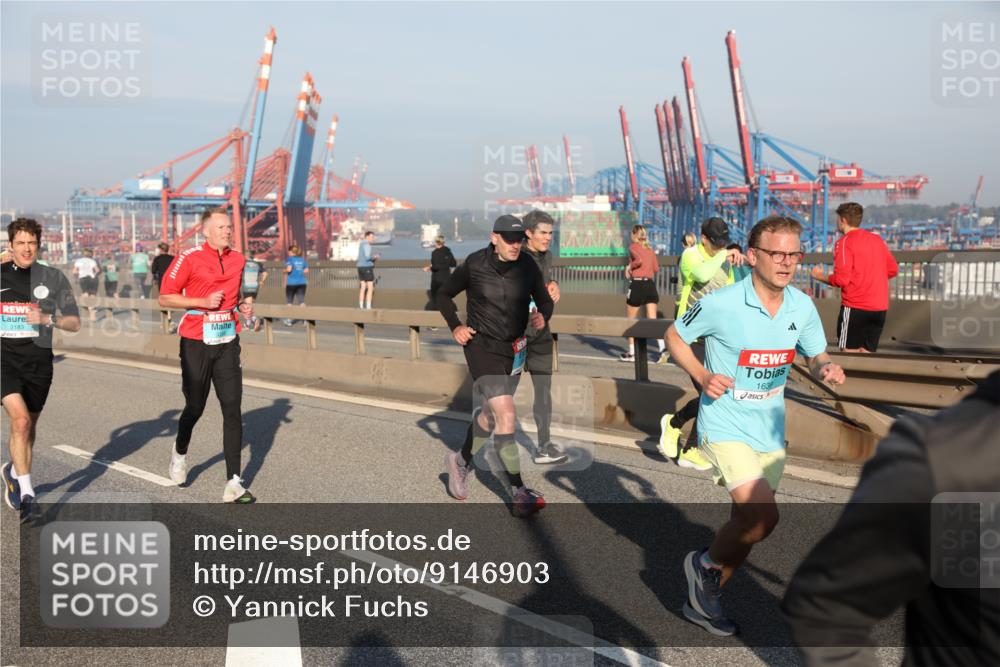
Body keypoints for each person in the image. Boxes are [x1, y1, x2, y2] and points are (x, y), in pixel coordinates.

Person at [666, 215, 846, 636]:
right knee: (764, 517)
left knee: (744, 525)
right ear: (752, 256)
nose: (786, 262)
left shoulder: (801, 306)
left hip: (769, 427)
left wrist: (827, 365)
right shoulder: (722, 303)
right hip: (725, 422)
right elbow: (675, 335)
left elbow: (815, 355)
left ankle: (705, 601)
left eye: (794, 254)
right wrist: (702, 375)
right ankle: (704, 565)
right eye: (776, 253)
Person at [782, 370, 1000, 666]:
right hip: (737, 422)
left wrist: (825, 363)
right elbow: (827, 608)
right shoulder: (947, 460)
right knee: (757, 519)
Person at [438, 215, 555, 518]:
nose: (515, 245)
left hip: (514, 349)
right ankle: (518, 491)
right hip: (481, 346)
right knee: (506, 413)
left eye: (519, 239)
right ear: (494, 238)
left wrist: (544, 315)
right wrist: (455, 326)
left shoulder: (527, 266)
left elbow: (545, 300)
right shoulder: (475, 264)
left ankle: (461, 460)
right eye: (509, 239)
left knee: (491, 416)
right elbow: (443, 294)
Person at [158, 208, 261, 503]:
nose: (227, 231)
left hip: (227, 341)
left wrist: (244, 307)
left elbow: (239, 297)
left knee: (232, 407)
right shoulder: (189, 258)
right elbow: (165, 296)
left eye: (229, 227)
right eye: (220, 227)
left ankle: (234, 483)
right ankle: (179, 453)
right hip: (195, 341)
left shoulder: (238, 259)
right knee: (195, 406)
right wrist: (201, 301)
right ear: (205, 231)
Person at [1, 218, 81, 522]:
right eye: (19, 243)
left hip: (39, 363)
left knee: (29, 426)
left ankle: (12, 470)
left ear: (39, 245)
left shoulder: (53, 277)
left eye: (31, 243)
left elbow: (74, 323)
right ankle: (28, 496)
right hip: (4, 359)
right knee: (20, 421)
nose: (26, 248)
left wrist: (48, 320)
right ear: (11, 245)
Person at [658, 218, 743, 471]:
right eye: (716, 243)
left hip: (714, 337)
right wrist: (726, 254)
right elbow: (703, 274)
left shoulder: (723, 260)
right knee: (710, 392)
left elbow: (729, 294)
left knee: (717, 393)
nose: (719, 248)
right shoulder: (690, 255)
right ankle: (681, 434)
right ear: (703, 238)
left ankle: (683, 439)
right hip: (688, 336)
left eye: (723, 244)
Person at [810, 202, 899, 352]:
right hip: (879, 308)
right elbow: (893, 270)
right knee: (867, 357)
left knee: (848, 355)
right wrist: (870, 279)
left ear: (843, 220)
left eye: (837, 219)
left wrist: (818, 276)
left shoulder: (843, 243)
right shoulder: (876, 240)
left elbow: (841, 280)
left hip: (855, 308)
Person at [521, 210, 567, 465]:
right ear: (528, 233)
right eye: (543, 233)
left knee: (543, 392)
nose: (548, 237)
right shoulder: (515, 256)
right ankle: (469, 451)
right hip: (515, 336)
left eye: (551, 233)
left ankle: (543, 446)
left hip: (540, 334)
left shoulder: (547, 256)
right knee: (499, 395)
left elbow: (544, 280)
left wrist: (554, 283)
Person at [620, 225, 667, 364]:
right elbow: (656, 268)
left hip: (637, 285)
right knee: (652, 321)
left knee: (631, 321)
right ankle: (662, 348)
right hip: (650, 285)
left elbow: (638, 261)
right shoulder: (650, 250)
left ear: (635, 235)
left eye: (631, 233)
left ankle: (632, 353)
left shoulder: (633, 247)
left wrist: (629, 267)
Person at [423, 235, 456, 309]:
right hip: (447, 278)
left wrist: (428, 268)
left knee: (435, 298)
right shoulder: (448, 251)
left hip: (437, 279)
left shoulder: (435, 252)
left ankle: (436, 314)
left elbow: (436, 267)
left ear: (436, 242)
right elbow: (453, 264)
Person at [150, 242, 175, 333]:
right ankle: (170, 317)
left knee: (163, 300)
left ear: (160, 249)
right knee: (171, 299)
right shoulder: (173, 258)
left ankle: (164, 321)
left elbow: (153, 270)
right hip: (172, 281)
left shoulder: (157, 259)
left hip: (162, 282)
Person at [283, 245, 308, 326]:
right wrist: (299, 272)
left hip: (291, 283)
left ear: (292, 252)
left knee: (289, 303)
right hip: (302, 283)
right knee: (302, 302)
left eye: (289, 251)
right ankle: (305, 319)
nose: (288, 253)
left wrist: (284, 271)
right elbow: (306, 270)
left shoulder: (290, 259)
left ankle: (289, 320)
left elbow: (289, 269)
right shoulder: (302, 260)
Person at [357, 230, 378, 309]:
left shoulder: (361, 244)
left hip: (360, 267)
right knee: (370, 287)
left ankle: (361, 306)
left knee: (362, 287)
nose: (373, 238)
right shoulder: (367, 245)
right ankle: (368, 306)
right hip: (367, 268)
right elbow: (367, 257)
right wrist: (374, 257)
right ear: (367, 237)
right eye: (371, 237)